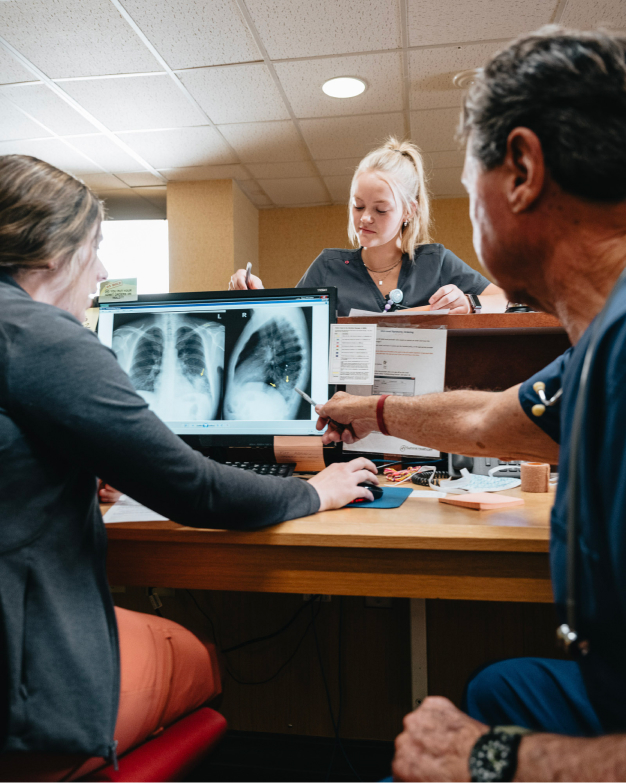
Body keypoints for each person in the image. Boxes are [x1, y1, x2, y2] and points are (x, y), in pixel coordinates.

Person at [0, 155, 378, 780]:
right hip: (22, 692)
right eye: (93, 249)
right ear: (48, 254)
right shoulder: (42, 335)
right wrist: (317, 492)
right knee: (200, 653)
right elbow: (196, 489)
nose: (101, 272)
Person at [317, 26, 626, 782]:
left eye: (466, 176)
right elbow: (492, 421)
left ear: (520, 169)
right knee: (500, 684)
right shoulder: (596, 354)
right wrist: (375, 410)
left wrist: (487, 758)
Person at [229, 138, 503, 316]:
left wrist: (470, 302)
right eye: (358, 206)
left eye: (380, 209)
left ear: (409, 211)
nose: (365, 218)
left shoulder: (436, 263)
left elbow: (508, 301)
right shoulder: (328, 267)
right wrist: (255, 297)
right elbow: (288, 320)